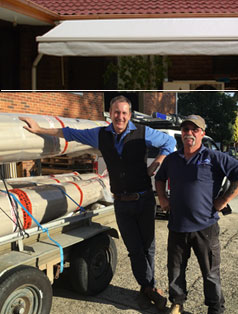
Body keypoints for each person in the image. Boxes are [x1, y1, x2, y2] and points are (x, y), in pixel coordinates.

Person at [19, 96, 174, 310]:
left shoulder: (142, 132)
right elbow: (71, 133)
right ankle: (148, 286)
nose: (120, 116)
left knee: (148, 247)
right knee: (134, 249)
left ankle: (148, 285)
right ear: (110, 114)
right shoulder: (100, 134)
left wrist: (155, 164)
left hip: (144, 199)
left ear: (130, 115)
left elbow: (170, 143)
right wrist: (39, 129)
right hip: (121, 202)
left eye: (124, 113)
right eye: (116, 112)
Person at [154, 115, 238, 314]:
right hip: (177, 225)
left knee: (210, 274)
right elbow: (160, 178)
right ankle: (177, 303)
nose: (189, 133)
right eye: (185, 129)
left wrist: (223, 201)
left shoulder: (213, 157)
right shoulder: (172, 159)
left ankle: (215, 309)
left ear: (202, 133)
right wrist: (163, 199)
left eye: (194, 129)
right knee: (175, 271)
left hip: (205, 227)